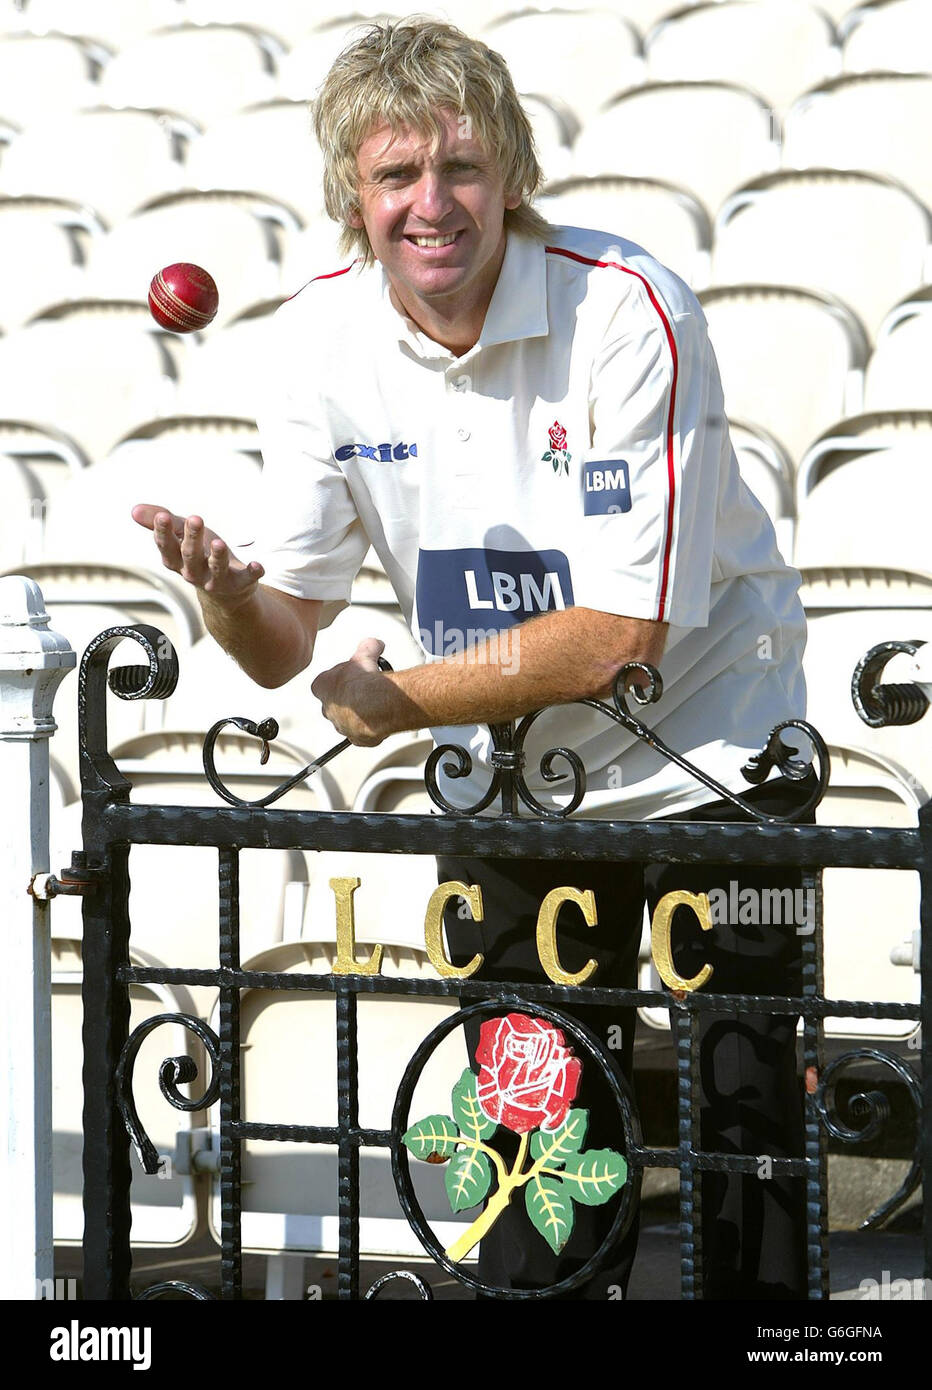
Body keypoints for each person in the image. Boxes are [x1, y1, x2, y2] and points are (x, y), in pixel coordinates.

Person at [133, 17, 812, 1299]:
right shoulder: (315, 342)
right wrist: (228, 599)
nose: (430, 206)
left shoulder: (630, 310)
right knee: (529, 1136)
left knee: (746, 1136)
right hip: (503, 778)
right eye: (395, 177)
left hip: (714, 753)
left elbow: (620, 638)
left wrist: (398, 700)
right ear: (352, 195)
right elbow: (286, 638)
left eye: (459, 168)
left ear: (509, 173)